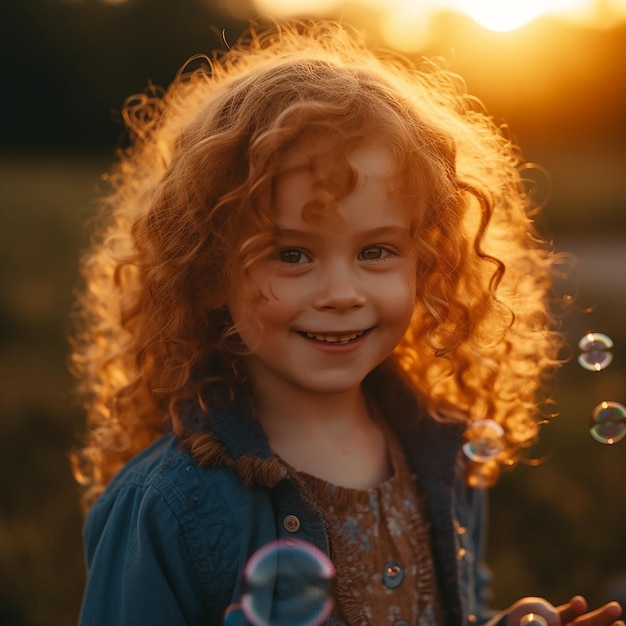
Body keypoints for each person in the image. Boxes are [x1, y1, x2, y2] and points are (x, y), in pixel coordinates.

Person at [70, 18, 624, 626]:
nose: (341, 293)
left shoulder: (440, 449)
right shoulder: (166, 506)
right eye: (292, 253)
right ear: (207, 276)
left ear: (428, 264)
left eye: (376, 251)